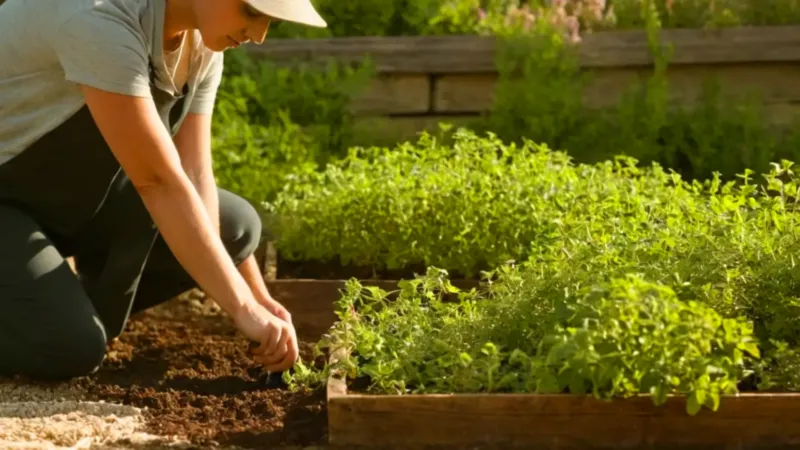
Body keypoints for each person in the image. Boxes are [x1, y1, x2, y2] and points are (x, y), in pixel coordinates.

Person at [0, 0, 327, 380]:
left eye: (270, 22)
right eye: (252, 13)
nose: (258, 36)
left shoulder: (202, 43)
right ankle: (51, 325)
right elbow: (156, 180)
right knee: (69, 348)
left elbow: (193, 173)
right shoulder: (98, 20)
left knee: (237, 228)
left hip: (53, 193)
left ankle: (46, 312)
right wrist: (241, 309)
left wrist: (253, 297)